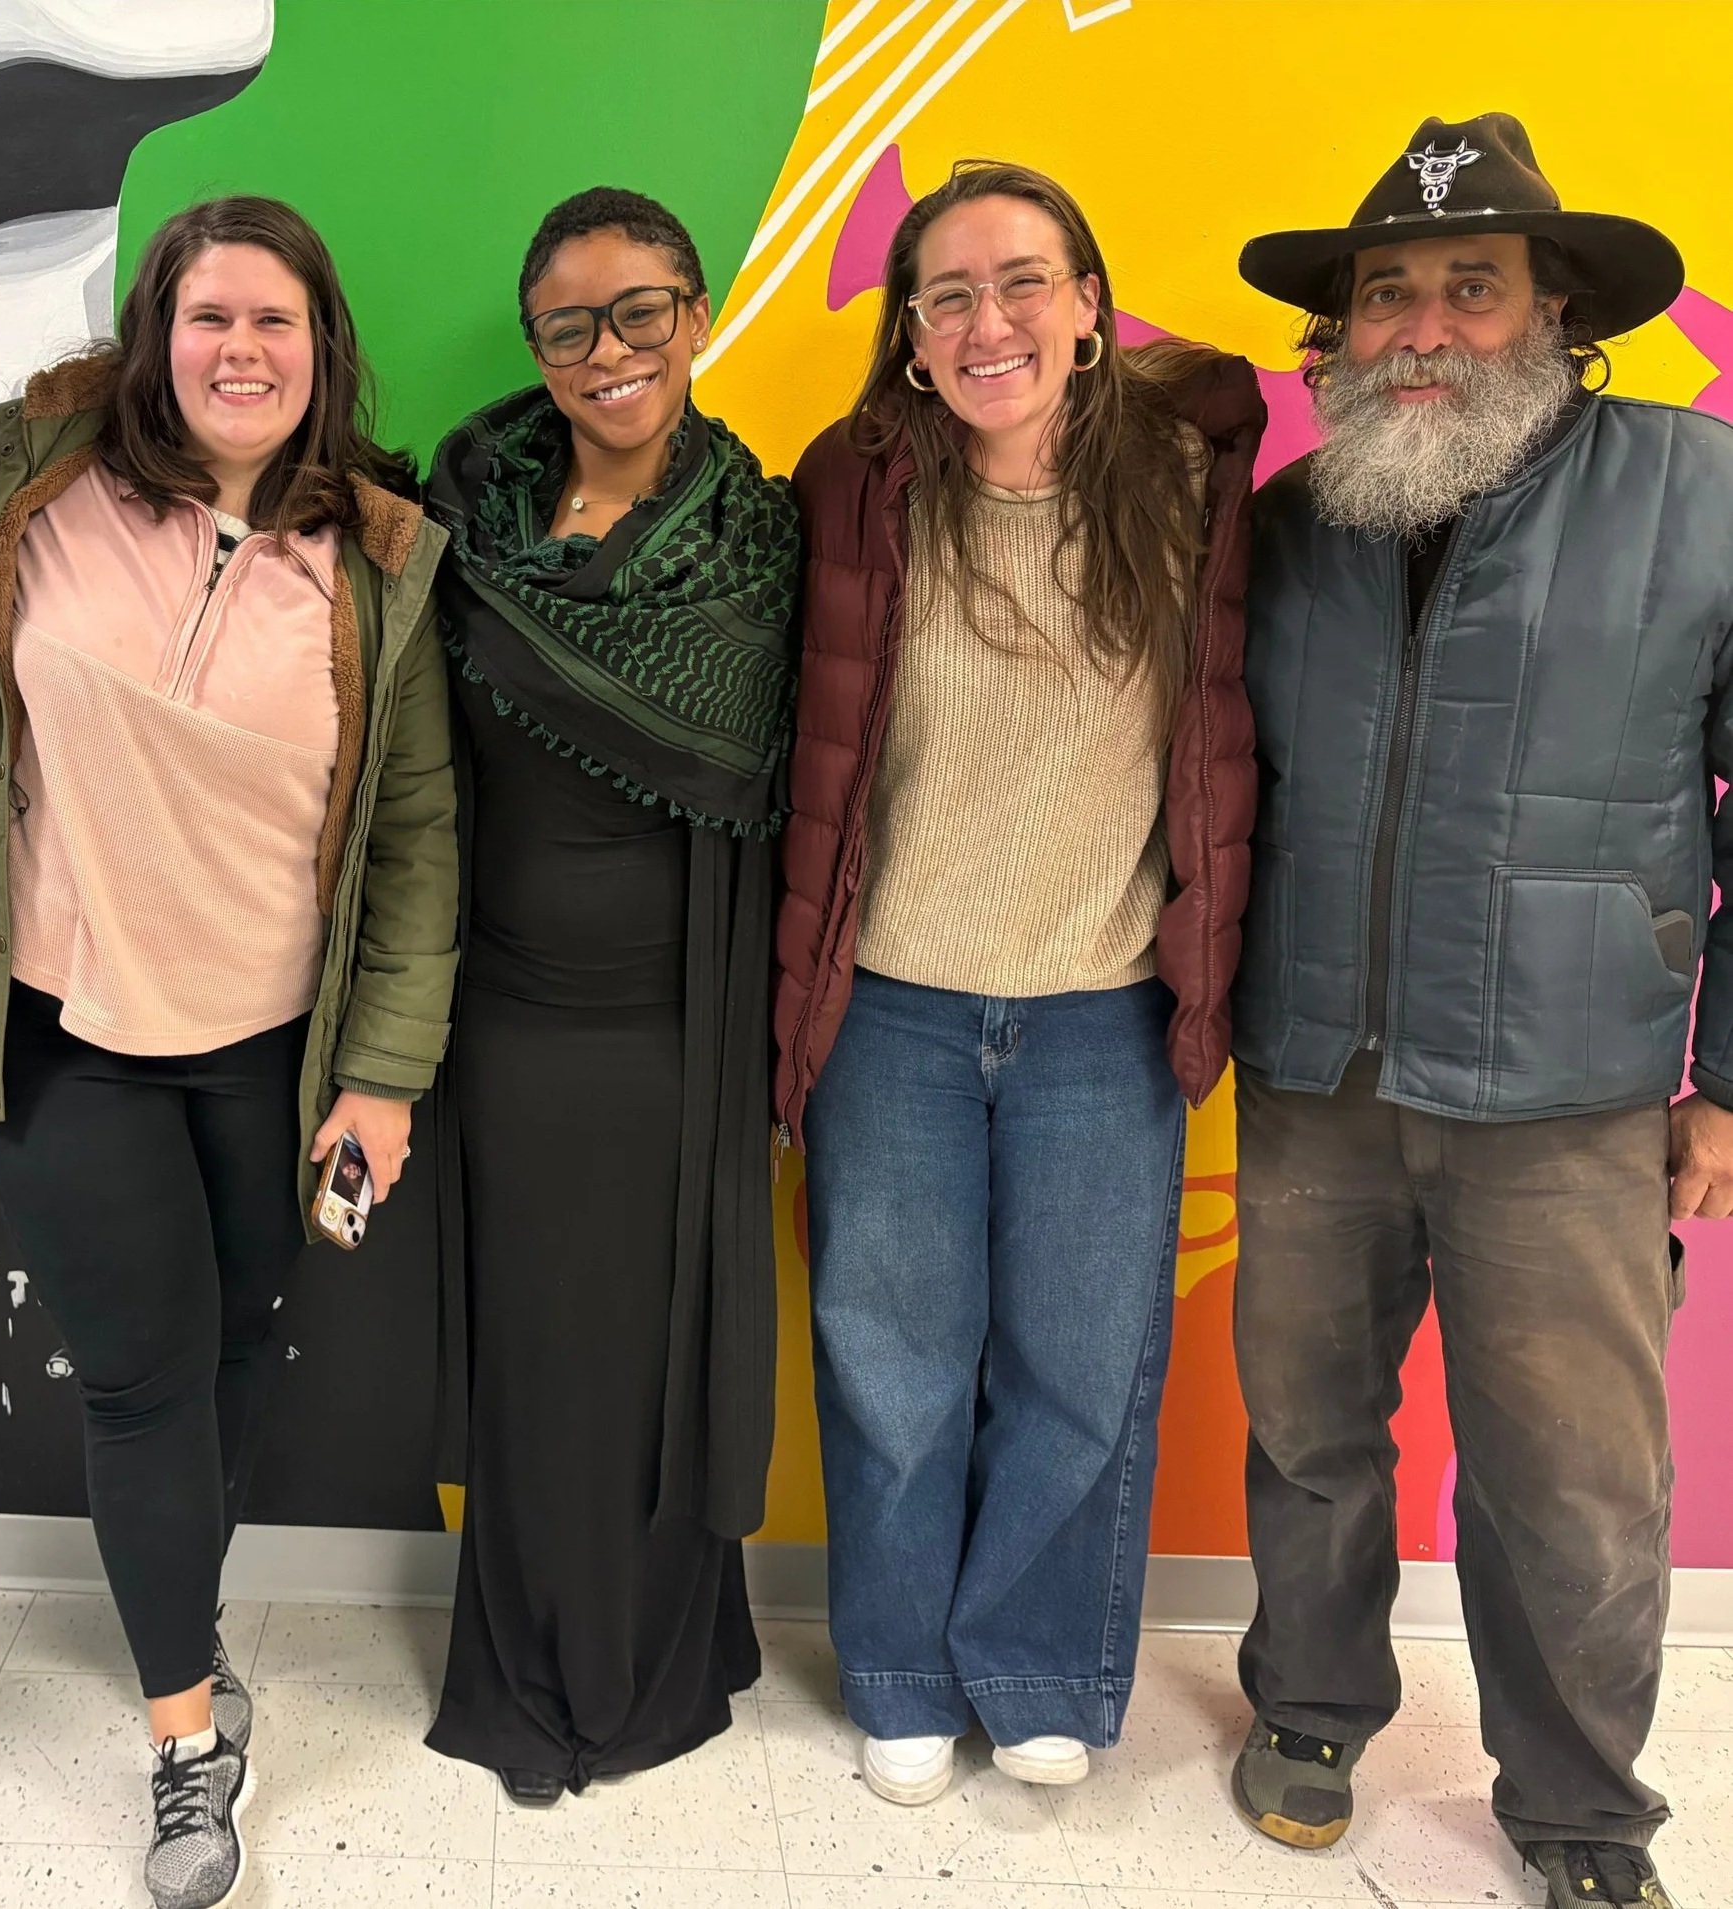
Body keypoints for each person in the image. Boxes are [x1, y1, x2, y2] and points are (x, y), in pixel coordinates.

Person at [0, 195, 457, 1909]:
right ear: (155, 336)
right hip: (67, 1029)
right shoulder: (31, 475)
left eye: (275, 322)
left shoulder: (380, 558)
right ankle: (188, 1739)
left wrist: (384, 1073)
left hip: (273, 1056)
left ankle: (175, 1621)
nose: (241, 352)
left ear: (322, 350)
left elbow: (413, 834)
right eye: (208, 319)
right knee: (139, 1378)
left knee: (238, 1358)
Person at [1226, 113, 1727, 1909]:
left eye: (1469, 287)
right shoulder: (1292, 525)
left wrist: (1726, 1078)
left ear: (1559, 308)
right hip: (1314, 1071)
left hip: (1572, 1090)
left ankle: (1583, 1807)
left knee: (1576, 1490)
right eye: (1386, 293)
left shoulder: (1701, 495)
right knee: (1307, 1428)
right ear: (1340, 332)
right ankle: (1309, 1704)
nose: (1422, 326)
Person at [774, 159, 1264, 1804]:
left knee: (1079, 1358)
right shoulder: (852, 485)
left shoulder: (1189, 493)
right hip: (894, 1002)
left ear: (1090, 308)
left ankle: (1042, 1664)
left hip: (1106, 1004)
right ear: (909, 337)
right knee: (891, 1360)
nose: (991, 319)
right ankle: (906, 1672)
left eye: (1025, 281)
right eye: (951, 293)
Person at [422, 187, 795, 1804]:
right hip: (503, 1025)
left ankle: (650, 1659)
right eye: (570, 325)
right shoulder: (461, 524)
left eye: (641, 310)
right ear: (538, 348)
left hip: (678, 1032)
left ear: (696, 317)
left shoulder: (769, 540)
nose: (610, 351)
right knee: (532, 1356)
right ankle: (528, 1666)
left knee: (653, 1353)